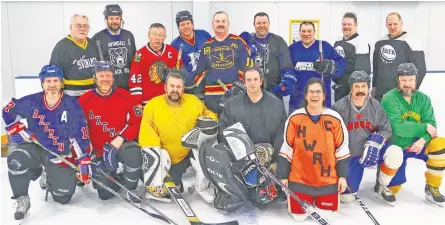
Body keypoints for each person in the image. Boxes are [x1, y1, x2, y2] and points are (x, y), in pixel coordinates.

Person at [3, 65, 92, 221]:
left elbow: (81, 134)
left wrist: (83, 162)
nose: (52, 85)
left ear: (61, 82)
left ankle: (48, 173)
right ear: (42, 83)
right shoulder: (32, 101)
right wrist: (15, 126)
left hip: (59, 153)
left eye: (55, 80)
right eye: (48, 81)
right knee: (15, 161)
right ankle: (22, 198)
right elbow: (8, 109)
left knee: (62, 197)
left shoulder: (72, 104)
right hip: (36, 147)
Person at [277, 78, 350, 222]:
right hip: (300, 180)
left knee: (326, 217)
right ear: (305, 96)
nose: (314, 95)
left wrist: (342, 176)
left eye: (318, 92)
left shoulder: (335, 118)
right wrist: (283, 176)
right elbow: (286, 149)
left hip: (327, 181)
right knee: (299, 217)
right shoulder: (295, 118)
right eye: (311, 92)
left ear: (324, 96)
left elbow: (342, 150)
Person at [138, 71, 217, 202]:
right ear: (165, 87)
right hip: (169, 157)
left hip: (190, 150)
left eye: (178, 87)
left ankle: (206, 187)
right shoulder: (153, 105)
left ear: (183, 88)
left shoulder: (193, 101)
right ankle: (159, 179)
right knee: (175, 190)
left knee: (209, 154)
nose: (175, 90)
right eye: (172, 86)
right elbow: (147, 134)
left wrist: (210, 120)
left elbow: (207, 114)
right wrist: (158, 156)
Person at [332, 71, 403, 206]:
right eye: (357, 86)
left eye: (363, 86)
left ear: (368, 88)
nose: (360, 90)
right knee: (346, 198)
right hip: (351, 156)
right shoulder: (339, 107)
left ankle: (381, 186)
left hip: (372, 149)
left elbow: (386, 128)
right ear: (351, 88)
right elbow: (331, 136)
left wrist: (375, 141)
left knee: (395, 152)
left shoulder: (375, 105)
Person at [78, 61, 142, 202]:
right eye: (101, 75)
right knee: (104, 194)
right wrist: (89, 156)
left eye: (108, 75)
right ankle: (119, 176)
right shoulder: (84, 100)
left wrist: (118, 140)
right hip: (100, 153)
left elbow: (135, 122)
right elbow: (78, 130)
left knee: (134, 153)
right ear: (95, 78)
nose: (105, 79)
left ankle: (131, 189)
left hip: (121, 145)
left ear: (113, 78)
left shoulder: (125, 96)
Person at [381, 63, 445, 207]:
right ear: (398, 80)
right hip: (397, 145)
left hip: (417, 144)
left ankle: (432, 187)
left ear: (416, 80)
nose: (407, 84)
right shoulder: (389, 98)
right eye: (404, 80)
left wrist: (423, 139)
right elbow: (397, 127)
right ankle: (381, 185)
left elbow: (432, 127)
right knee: (394, 188)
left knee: (440, 144)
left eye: (411, 80)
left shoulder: (424, 99)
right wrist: (424, 127)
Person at [218, 67, 287, 173]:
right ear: (244, 83)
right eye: (249, 80)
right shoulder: (232, 104)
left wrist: (275, 161)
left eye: (255, 79)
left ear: (261, 81)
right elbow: (224, 131)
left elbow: (282, 134)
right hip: (241, 164)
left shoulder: (276, 104)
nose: (252, 83)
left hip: (269, 164)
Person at [191, 11, 252, 114]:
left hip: (235, 99)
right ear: (212, 24)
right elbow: (199, 73)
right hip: (211, 101)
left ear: (228, 24)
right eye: (217, 21)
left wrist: (238, 90)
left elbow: (249, 70)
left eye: (223, 21)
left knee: (233, 129)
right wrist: (201, 96)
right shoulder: (207, 46)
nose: (220, 24)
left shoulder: (239, 42)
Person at [288, 21, 345, 113]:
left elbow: (341, 63)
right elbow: (285, 68)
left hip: (321, 100)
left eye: (309, 31)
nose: (306, 34)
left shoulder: (325, 47)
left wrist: (332, 65)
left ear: (314, 32)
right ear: (299, 33)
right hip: (297, 100)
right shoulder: (292, 49)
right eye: (303, 31)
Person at [238, 12, 296, 99]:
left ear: (269, 24)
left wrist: (287, 80)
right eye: (259, 23)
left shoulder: (278, 41)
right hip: (250, 92)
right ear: (254, 24)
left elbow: (286, 65)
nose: (262, 25)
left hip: (274, 92)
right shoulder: (247, 41)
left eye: (264, 23)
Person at [372, 12, 426, 101]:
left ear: (401, 24)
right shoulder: (380, 42)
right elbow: (376, 67)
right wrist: (374, 87)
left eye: (395, 24)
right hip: (381, 94)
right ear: (386, 25)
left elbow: (420, 69)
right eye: (390, 24)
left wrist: (410, 91)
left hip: (400, 94)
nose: (392, 27)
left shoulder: (412, 41)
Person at [128, 23, 181, 108]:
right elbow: (135, 79)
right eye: (154, 34)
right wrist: (137, 101)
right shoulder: (140, 54)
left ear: (165, 37)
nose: (157, 38)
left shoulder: (172, 52)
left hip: (169, 100)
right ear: (149, 35)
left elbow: (179, 76)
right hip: (148, 103)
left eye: (160, 35)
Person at [50, 14, 99, 97]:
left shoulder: (93, 44)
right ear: (71, 27)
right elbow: (54, 75)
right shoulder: (61, 47)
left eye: (85, 26)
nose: (82, 29)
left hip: (93, 95)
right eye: (78, 26)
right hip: (71, 96)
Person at [91, 4, 137, 91]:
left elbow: (135, 61)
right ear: (106, 19)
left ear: (121, 19)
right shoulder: (97, 38)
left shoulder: (129, 35)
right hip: (107, 88)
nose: (114, 21)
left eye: (117, 18)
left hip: (129, 86)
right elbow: (93, 66)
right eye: (111, 18)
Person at [333, 12, 371, 102]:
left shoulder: (361, 42)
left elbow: (362, 72)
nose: (346, 27)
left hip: (352, 91)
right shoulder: (338, 40)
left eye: (349, 24)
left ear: (356, 25)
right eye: (344, 24)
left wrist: (355, 90)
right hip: (339, 89)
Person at [171, 10, 211, 75]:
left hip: (208, 78)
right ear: (178, 28)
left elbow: (214, 54)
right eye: (182, 25)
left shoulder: (204, 35)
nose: (186, 27)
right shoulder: (174, 45)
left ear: (192, 24)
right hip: (190, 83)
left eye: (188, 23)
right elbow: (176, 70)